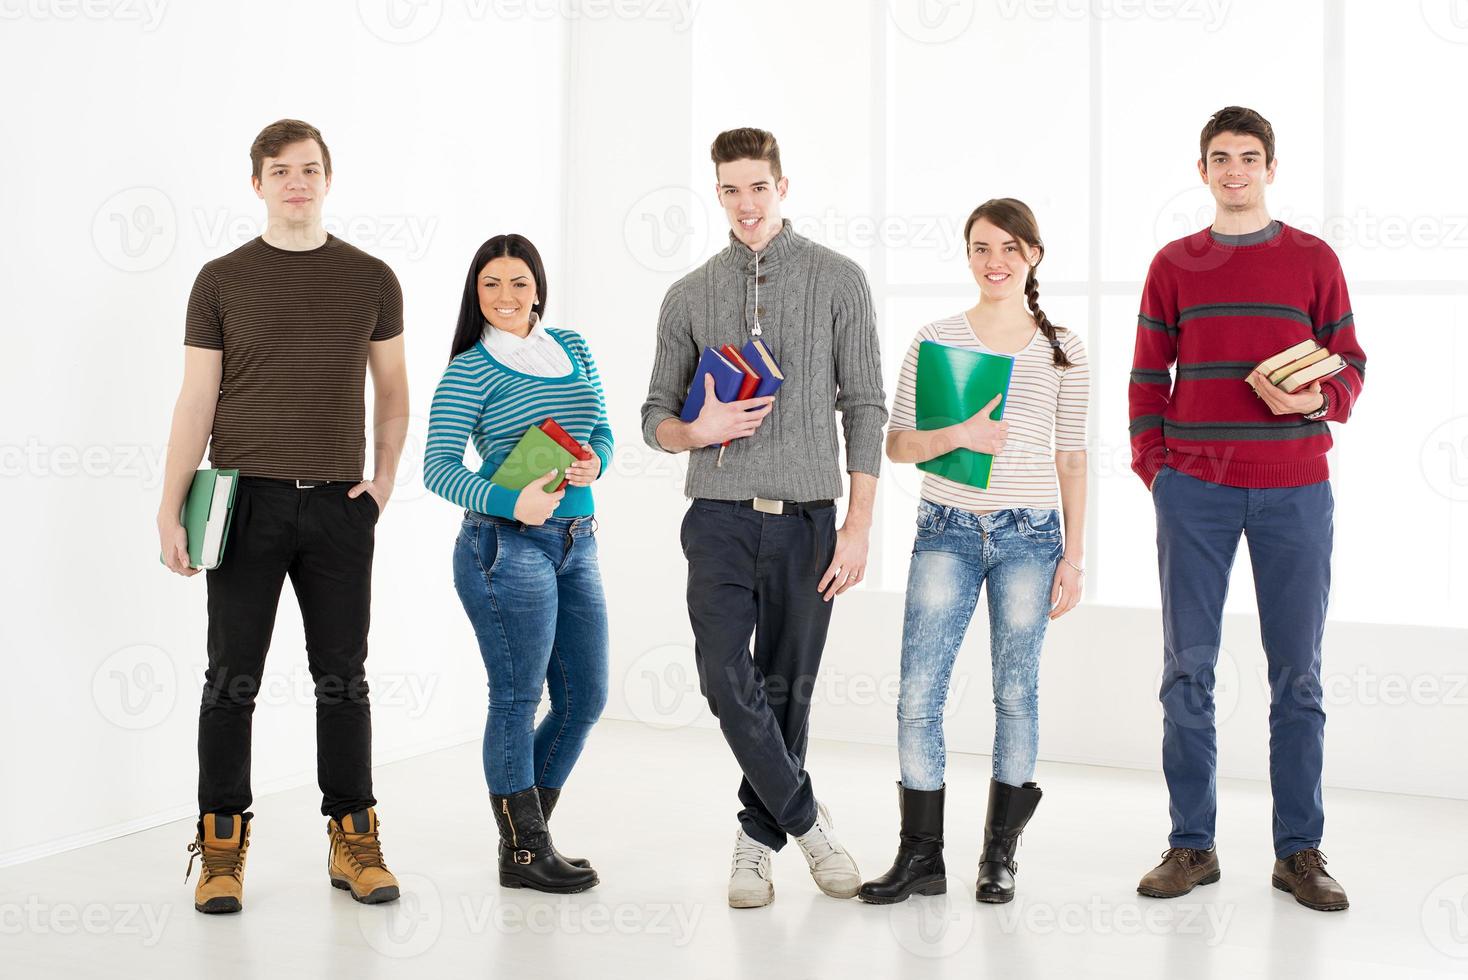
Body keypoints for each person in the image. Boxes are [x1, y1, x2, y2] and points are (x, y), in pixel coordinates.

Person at [158, 119, 409, 914]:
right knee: (230, 680)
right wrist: (169, 507)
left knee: (344, 679)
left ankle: (353, 836)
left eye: (309, 169)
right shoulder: (220, 280)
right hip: (244, 503)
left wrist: (384, 480)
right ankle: (221, 848)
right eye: (280, 170)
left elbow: (395, 391)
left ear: (328, 180)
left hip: (339, 505)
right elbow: (197, 398)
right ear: (257, 184)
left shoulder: (371, 277)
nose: (295, 182)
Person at [640, 127, 887, 909]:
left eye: (758, 187)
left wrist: (858, 525)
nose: (745, 204)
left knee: (787, 689)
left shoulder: (839, 280)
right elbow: (653, 414)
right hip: (715, 517)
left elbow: (867, 406)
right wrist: (695, 431)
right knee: (723, 677)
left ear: (783, 187)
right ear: (716, 194)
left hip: (810, 522)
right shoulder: (687, 294)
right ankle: (810, 826)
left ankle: (755, 842)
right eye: (730, 190)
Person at [1129, 106, 1366, 912]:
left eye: (1249, 156)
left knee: (1297, 676)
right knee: (1186, 670)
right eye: (1220, 157)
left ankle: (1299, 851)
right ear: (1202, 171)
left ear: (1271, 167)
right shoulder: (1174, 264)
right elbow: (1145, 381)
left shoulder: (1313, 259)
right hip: (1194, 492)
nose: (1235, 169)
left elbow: (1352, 367)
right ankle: (1192, 846)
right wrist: (1157, 471)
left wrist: (1316, 400)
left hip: (1296, 487)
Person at [859, 198, 1090, 906]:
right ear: (968, 256)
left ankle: (999, 856)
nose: (996, 261)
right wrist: (957, 433)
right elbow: (896, 444)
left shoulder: (1063, 349)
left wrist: (1073, 557)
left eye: (1011, 249)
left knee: (1015, 693)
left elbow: (1073, 456)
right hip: (948, 528)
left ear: (1034, 257)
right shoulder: (937, 339)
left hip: (1030, 535)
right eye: (983, 248)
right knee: (918, 693)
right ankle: (920, 856)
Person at [424, 234, 611, 894]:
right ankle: (527, 849)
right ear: (476, 295)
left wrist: (597, 462)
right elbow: (438, 469)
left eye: (519, 282)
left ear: (539, 285)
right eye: (491, 285)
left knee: (585, 697)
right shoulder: (470, 370)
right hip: (505, 548)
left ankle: (524, 842)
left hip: (577, 542)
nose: (507, 297)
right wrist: (512, 500)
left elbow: (603, 430)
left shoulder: (574, 347)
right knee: (517, 697)